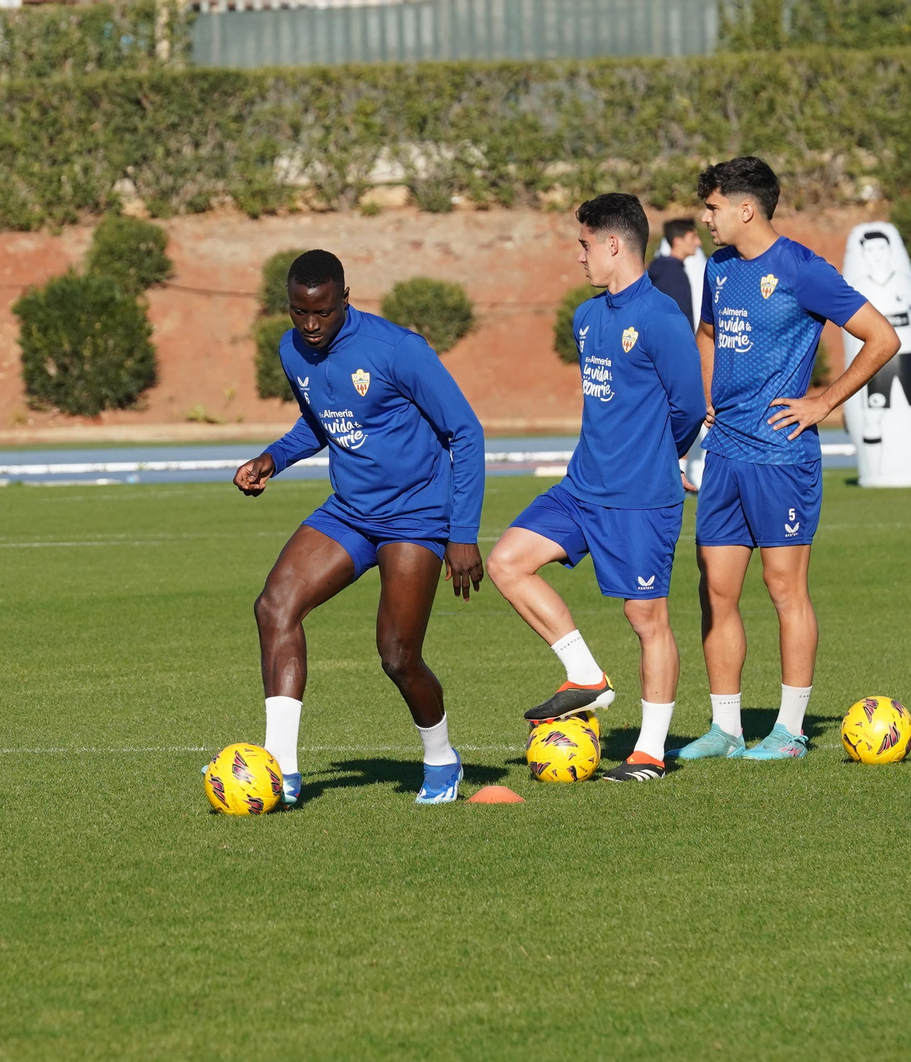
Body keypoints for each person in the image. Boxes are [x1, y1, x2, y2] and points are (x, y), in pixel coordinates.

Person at [230, 250, 486, 805]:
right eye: (299, 312)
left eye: (322, 312)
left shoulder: (398, 350)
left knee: (397, 655)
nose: (311, 325)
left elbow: (466, 432)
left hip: (415, 517)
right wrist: (273, 458)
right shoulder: (291, 348)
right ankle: (282, 770)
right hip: (350, 511)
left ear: (345, 298)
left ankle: (441, 758)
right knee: (275, 606)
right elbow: (319, 423)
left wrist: (461, 532)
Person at [676, 156, 900, 761]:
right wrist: (705, 402)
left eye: (714, 207)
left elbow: (882, 337)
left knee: (784, 588)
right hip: (724, 454)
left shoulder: (803, 269)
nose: (706, 218)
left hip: (781, 456)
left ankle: (791, 730)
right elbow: (708, 333)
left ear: (746, 209)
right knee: (716, 589)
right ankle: (726, 729)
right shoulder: (719, 270)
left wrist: (825, 400)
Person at [485, 194, 705, 782]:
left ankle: (650, 753)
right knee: (506, 562)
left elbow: (688, 408)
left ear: (613, 244)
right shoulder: (586, 318)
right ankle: (586, 676)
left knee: (646, 618)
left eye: (584, 244)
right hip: (581, 489)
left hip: (640, 500)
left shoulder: (661, 319)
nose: (578, 255)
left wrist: (659, 460)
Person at [649, 218, 703, 330]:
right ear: (678, 241)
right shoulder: (672, 273)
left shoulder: (666, 269)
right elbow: (676, 317)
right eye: (693, 238)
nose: (698, 242)